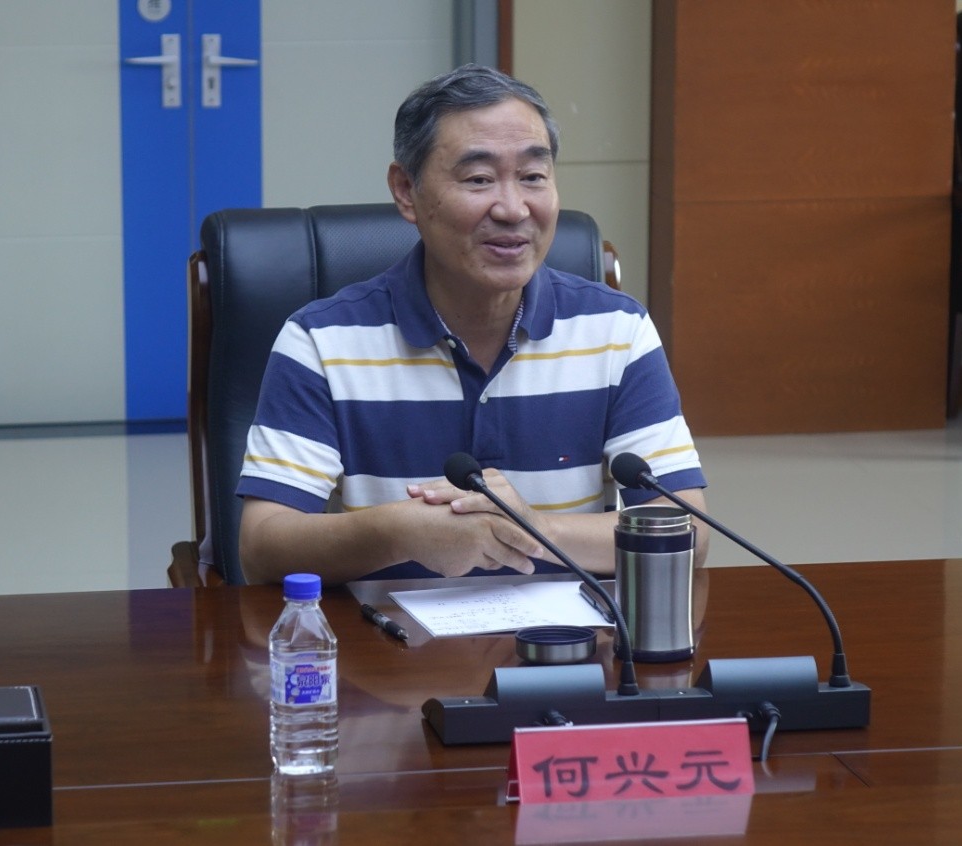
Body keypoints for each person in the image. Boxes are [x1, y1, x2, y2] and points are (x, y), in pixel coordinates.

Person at [237, 64, 708, 584]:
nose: (512, 208)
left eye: (533, 176)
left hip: (569, 633)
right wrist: (399, 531)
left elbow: (686, 529)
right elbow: (261, 546)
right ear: (406, 191)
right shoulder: (320, 341)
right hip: (384, 634)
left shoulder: (617, 330)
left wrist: (533, 528)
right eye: (479, 179)